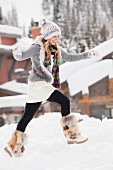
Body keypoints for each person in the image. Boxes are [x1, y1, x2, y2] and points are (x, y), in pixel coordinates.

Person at [5, 19, 97, 157]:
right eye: (54, 36)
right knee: (64, 101)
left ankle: (13, 147)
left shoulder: (56, 50)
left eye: (58, 36)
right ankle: (72, 134)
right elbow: (23, 55)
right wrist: (17, 53)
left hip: (40, 86)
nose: (57, 39)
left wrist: (87, 55)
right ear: (47, 36)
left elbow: (70, 57)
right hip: (38, 84)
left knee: (27, 116)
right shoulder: (37, 47)